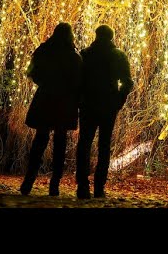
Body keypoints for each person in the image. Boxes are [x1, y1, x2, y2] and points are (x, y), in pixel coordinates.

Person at [20, 22, 82, 196]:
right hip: (64, 102)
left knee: (40, 139)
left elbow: (31, 72)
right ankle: (54, 185)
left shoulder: (43, 51)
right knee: (60, 143)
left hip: (45, 99)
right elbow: (78, 81)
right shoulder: (73, 56)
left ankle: (28, 181)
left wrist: (44, 84)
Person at [76, 24, 133, 199]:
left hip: (88, 105)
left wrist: (80, 99)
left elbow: (77, 80)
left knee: (84, 144)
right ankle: (99, 187)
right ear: (111, 37)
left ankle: (82, 187)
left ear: (97, 35)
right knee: (104, 146)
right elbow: (128, 82)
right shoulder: (118, 55)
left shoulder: (85, 54)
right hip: (108, 105)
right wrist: (118, 101)